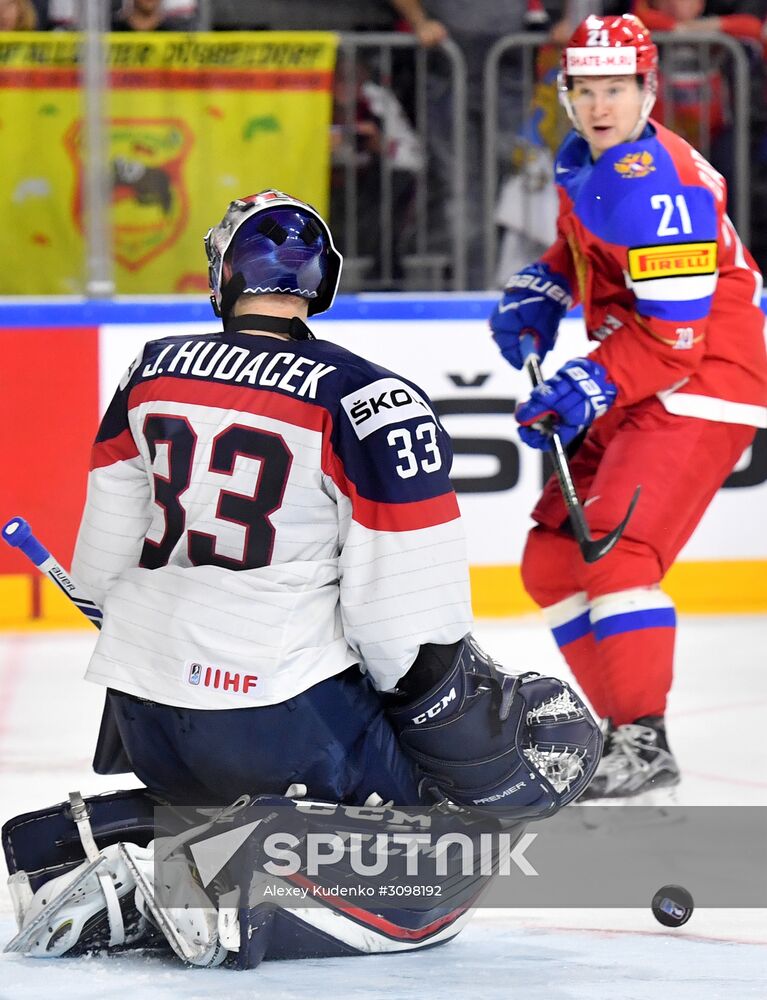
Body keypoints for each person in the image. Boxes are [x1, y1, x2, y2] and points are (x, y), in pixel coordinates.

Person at [4, 189, 601, 966]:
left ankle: (84, 849)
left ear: (223, 274)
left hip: (143, 712)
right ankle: (242, 886)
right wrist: (458, 738)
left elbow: (97, 572)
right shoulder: (368, 397)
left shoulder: (150, 370)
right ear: (321, 280)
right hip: (279, 714)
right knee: (451, 849)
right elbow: (403, 624)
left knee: (229, 789)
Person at [489, 14, 767, 799]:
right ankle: (621, 744)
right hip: (642, 368)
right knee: (550, 563)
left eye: (616, 88)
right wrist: (548, 282)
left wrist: (587, 383)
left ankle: (641, 743)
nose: (599, 105)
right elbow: (591, 245)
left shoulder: (657, 184)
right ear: (565, 94)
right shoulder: (589, 159)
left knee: (616, 550)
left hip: (703, 379)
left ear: (648, 90)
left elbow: (676, 339)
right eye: (585, 90)